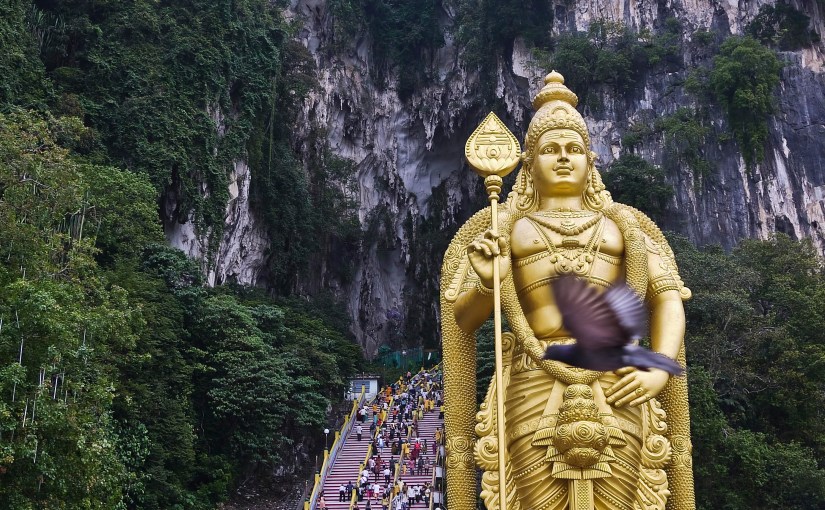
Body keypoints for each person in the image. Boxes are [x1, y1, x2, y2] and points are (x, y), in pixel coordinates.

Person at [441, 71, 693, 509]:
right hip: (534, 378)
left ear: (590, 161)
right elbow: (462, 319)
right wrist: (487, 282)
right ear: (529, 163)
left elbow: (667, 297)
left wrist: (659, 368)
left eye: (573, 149)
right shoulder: (504, 228)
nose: (562, 158)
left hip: (615, 379)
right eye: (550, 149)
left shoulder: (624, 227)